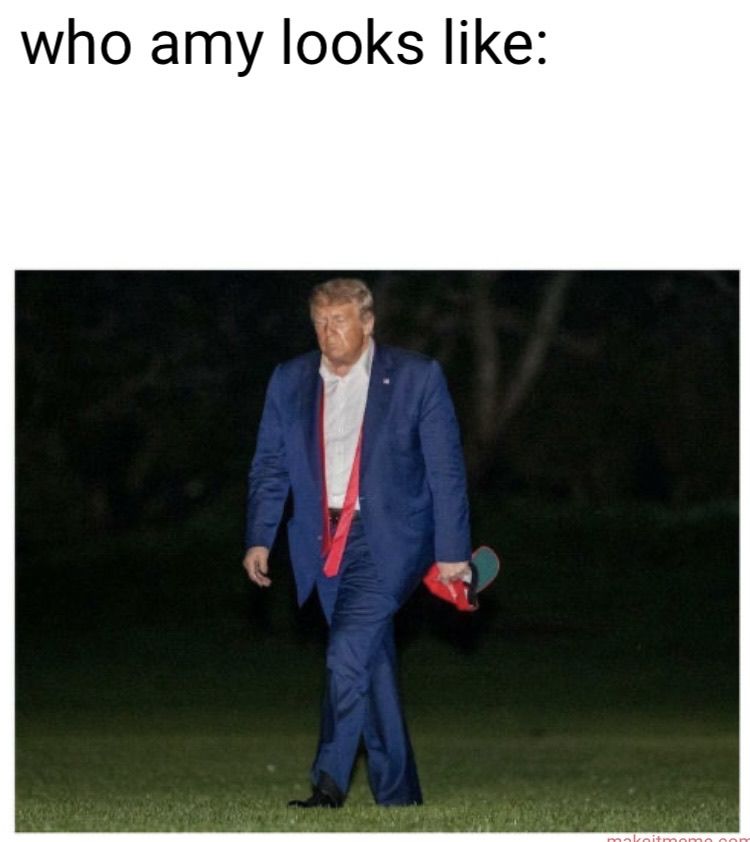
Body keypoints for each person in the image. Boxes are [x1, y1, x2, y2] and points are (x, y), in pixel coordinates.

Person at [243, 278, 471, 808]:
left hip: (387, 537)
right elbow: (270, 465)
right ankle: (399, 795)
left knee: (346, 651)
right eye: (320, 323)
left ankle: (328, 782)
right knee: (371, 663)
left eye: (340, 321)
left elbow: (446, 470)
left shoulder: (417, 377)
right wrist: (259, 537)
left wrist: (452, 551)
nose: (329, 333)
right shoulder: (289, 380)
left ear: (368, 323)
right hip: (321, 540)